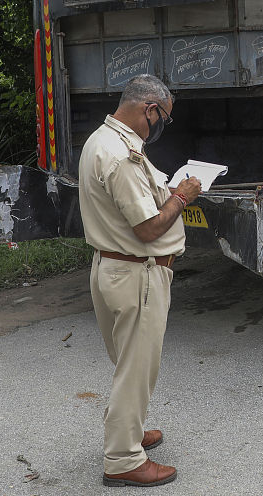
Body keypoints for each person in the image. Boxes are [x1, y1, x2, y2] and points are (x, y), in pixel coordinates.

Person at [78, 74, 202, 487]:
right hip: (136, 273)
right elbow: (148, 228)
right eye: (161, 118)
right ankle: (124, 459)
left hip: (112, 267)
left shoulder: (102, 140)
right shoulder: (121, 155)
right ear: (149, 109)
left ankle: (128, 429)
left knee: (128, 362)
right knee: (136, 367)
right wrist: (181, 197)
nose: (161, 125)